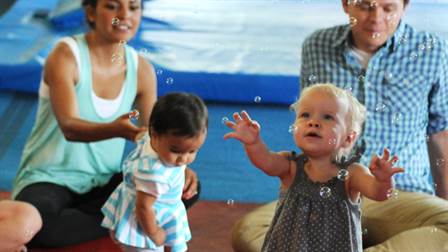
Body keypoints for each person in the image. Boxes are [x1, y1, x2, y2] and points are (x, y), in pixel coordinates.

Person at [231, 0, 448, 251]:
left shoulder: (434, 52)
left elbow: (440, 131)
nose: (376, 17)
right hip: (322, 190)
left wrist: (443, 200)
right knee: (247, 230)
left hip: (399, 194)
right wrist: (255, 142)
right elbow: (306, 117)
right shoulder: (317, 45)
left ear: (405, 6)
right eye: (365, 5)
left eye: (388, 8)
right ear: (346, 4)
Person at [11, 0, 199, 248]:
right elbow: (69, 126)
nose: (124, 15)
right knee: (38, 225)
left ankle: (114, 218)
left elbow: (156, 137)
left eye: (133, 7)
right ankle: (120, 219)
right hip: (49, 179)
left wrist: (176, 166)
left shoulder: (141, 69)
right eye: (112, 6)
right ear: (90, 12)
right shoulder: (66, 55)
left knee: (185, 189)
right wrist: (116, 129)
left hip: (104, 182)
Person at [225, 83, 404, 251]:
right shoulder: (291, 166)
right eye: (305, 115)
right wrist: (253, 143)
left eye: (328, 117)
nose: (313, 122)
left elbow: (379, 193)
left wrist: (383, 179)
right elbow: (266, 162)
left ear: (349, 138)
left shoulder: (352, 174)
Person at [102, 92, 208, 252]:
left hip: (164, 209)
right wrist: (154, 233)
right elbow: (143, 207)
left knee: (177, 246)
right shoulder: (153, 173)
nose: (183, 159)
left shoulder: (147, 137)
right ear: (155, 134)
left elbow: (139, 135)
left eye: (193, 151)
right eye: (176, 150)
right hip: (145, 223)